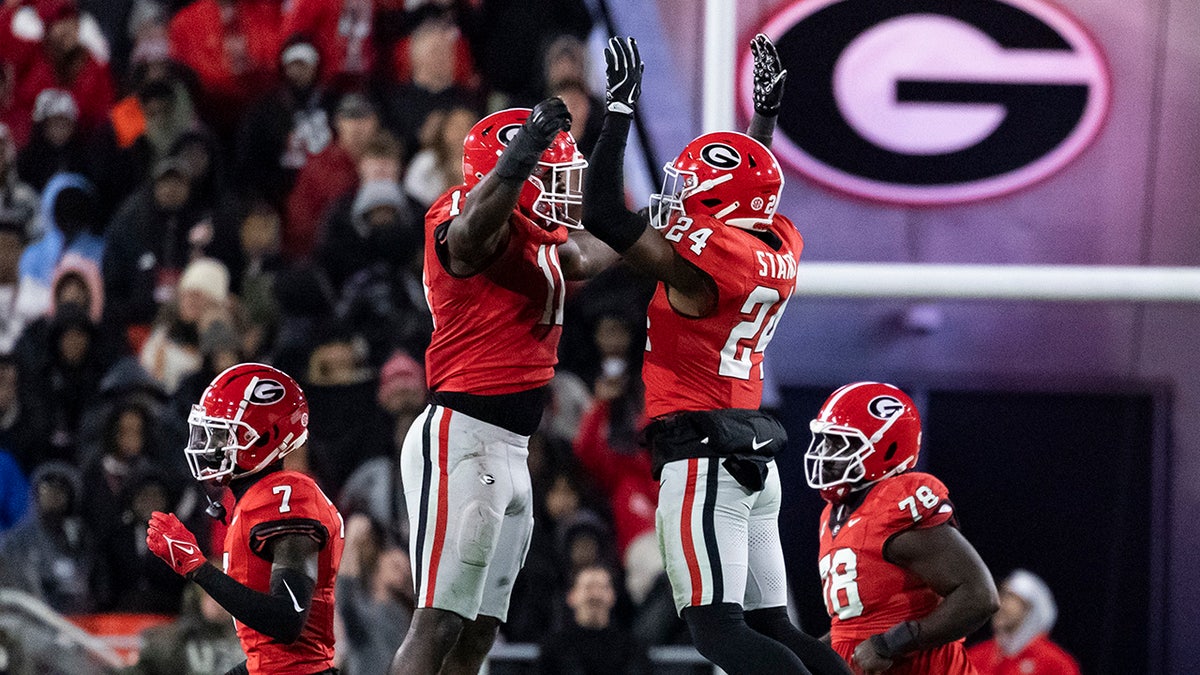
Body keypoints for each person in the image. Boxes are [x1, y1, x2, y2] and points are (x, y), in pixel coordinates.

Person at [579, 36, 848, 675]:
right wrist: (764, 123)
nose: (679, 196)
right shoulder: (777, 242)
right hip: (751, 449)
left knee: (718, 633)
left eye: (691, 188)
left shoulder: (703, 269)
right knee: (773, 625)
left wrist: (618, 111)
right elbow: (748, 189)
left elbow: (603, 214)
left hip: (702, 454)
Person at [389, 95, 619, 674]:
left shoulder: (537, 233)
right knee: (438, 620)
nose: (564, 191)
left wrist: (662, 221)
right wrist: (523, 154)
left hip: (512, 448)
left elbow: (589, 255)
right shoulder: (462, 215)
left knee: (478, 632)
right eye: (552, 176)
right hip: (462, 436)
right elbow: (469, 235)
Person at [144, 363, 345, 675]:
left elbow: (287, 620)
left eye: (221, 435)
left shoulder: (287, 498)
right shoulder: (257, 498)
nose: (208, 447)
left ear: (265, 437)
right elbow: (270, 657)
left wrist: (198, 568)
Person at [804, 381, 1000, 674]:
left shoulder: (894, 504)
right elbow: (852, 627)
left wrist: (889, 644)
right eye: (825, 441)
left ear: (887, 446)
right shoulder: (834, 515)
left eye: (839, 443)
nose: (825, 454)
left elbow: (979, 595)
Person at [536, 564, 652, 675]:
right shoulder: (553, 649)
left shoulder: (632, 649)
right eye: (588, 587)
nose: (596, 594)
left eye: (602, 587)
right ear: (571, 596)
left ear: (613, 596)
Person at [968, 569, 1081, 675]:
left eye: (1011, 598)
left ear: (1031, 611)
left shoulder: (1055, 663)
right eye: (1002, 595)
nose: (1002, 604)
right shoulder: (976, 656)